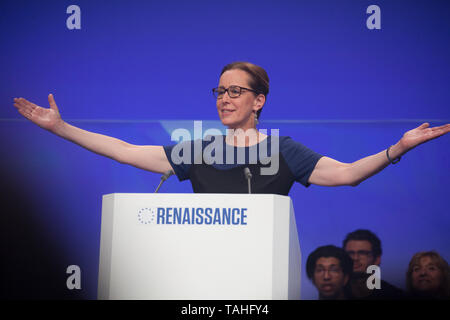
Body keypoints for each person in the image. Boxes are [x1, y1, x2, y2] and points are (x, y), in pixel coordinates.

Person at [13, 61, 450, 194]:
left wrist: (399, 147)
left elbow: (346, 173)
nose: (225, 98)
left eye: (236, 91)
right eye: (220, 91)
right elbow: (124, 151)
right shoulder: (199, 148)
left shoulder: (283, 149)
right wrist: (61, 128)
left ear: (259, 100)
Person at [342, 229, 404, 299]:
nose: (355, 258)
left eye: (362, 253)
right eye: (350, 253)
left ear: (377, 260)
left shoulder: (395, 295)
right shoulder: (334, 293)